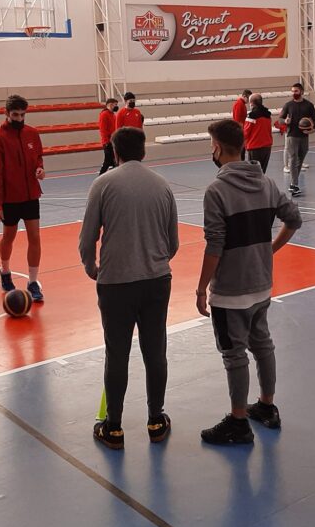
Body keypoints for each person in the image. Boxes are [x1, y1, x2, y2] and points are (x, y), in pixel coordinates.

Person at [196, 120, 302, 445]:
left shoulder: (216, 191)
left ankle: (238, 421)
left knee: (235, 356)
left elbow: (215, 245)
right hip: (261, 284)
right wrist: (270, 250)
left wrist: (201, 288)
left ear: (217, 148)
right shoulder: (266, 183)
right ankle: (267, 406)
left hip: (230, 292)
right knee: (263, 344)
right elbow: (294, 219)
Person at [80, 127, 180, 450]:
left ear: (114, 152)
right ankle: (156, 420)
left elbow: (87, 238)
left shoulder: (103, 184)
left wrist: (92, 267)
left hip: (115, 284)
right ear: (144, 151)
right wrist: (153, 262)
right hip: (156, 281)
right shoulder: (162, 186)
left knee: (117, 353)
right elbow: (173, 243)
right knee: (155, 350)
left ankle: (113, 427)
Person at [0, 94, 45, 301]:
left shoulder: (32, 134)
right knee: (8, 237)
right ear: (6, 113)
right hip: (9, 199)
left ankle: (33, 282)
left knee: (35, 237)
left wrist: (40, 169)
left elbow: (38, 158)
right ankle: (5, 271)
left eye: (22, 115)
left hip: (31, 195)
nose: (19, 118)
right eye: (15, 115)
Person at [279, 83, 315, 197]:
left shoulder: (309, 105)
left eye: (295, 91)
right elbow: (280, 119)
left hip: (304, 136)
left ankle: (294, 184)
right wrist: (285, 121)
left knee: (300, 160)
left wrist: (313, 129)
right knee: (293, 158)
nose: (293, 93)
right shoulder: (288, 105)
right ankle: (294, 184)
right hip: (292, 135)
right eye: (292, 91)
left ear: (301, 91)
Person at [243, 93, 274, 172]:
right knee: (262, 172)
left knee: (253, 173)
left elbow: (245, 133)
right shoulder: (268, 115)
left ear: (252, 103)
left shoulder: (251, 116)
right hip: (267, 147)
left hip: (255, 148)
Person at [98, 97, 119, 175]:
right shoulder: (104, 114)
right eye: (115, 105)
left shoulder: (113, 115)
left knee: (114, 162)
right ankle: (100, 176)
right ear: (110, 105)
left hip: (113, 141)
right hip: (108, 142)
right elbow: (103, 129)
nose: (116, 106)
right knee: (108, 161)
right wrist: (106, 142)